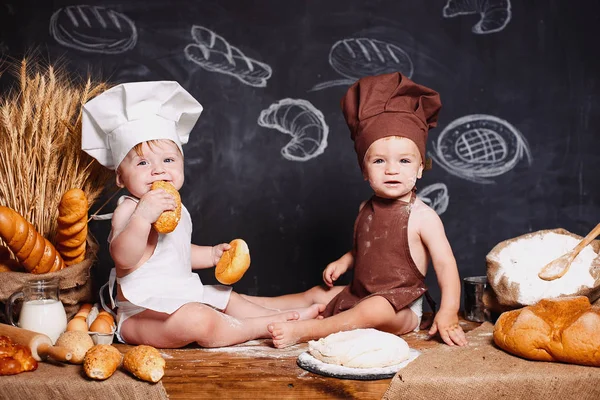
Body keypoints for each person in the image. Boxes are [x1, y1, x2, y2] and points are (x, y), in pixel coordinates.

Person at [81, 81, 323, 348]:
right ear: (119, 176)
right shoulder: (129, 209)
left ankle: (282, 317)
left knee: (226, 297)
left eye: (168, 161)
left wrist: (210, 255)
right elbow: (124, 258)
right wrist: (142, 217)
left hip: (180, 297)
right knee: (198, 319)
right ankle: (259, 327)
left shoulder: (176, 207)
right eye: (142, 163)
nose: (158, 170)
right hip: (141, 315)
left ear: (182, 164)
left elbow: (177, 252)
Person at [242, 72, 467, 348]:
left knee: (373, 310)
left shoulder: (423, 217)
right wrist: (344, 261)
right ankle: (246, 305)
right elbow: (368, 250)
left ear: (420, 168)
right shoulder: (366, 208)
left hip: (400, 309)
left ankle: (310, 330)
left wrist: (448, 312)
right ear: (364, 170)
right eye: (380, 160)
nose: (392, 169)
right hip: (359, 293)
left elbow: (445, 266)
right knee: (316, 295)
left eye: (405, 160)